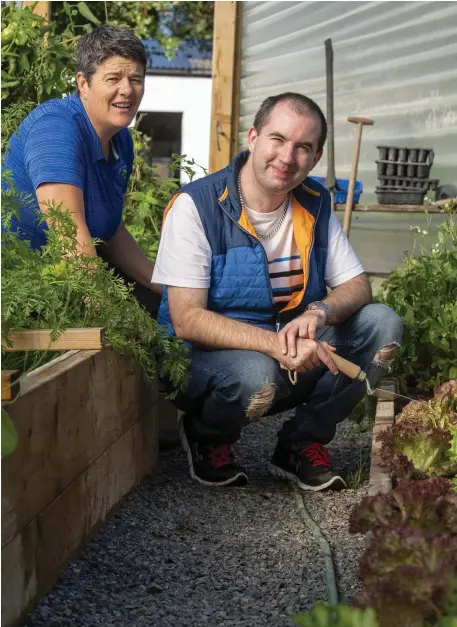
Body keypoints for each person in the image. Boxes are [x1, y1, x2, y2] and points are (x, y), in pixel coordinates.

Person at [152, 92, 403, 491]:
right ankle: (207, 435)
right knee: (256, 374)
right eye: (278, 139)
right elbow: (186, 319)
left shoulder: (314, 202)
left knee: (381, 324)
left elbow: (358, 286)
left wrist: (316, 313)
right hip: (205, 361)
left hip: (284, 351)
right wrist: (274, 344)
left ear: (316, 157)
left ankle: (300, 443)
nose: (288, 157)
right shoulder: (195, 207)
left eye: (303, 147)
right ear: (253, 137)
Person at [2, 25, 160, 315]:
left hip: (68, 279)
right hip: (21, 291)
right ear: (83, 84)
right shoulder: (56, 129)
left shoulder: (120, 139)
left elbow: (111, 233)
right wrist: (110, 320)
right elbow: (69, 234)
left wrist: (165, 285)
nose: (127, 89)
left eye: (136, 79)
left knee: (165, 308)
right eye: (113, 78)